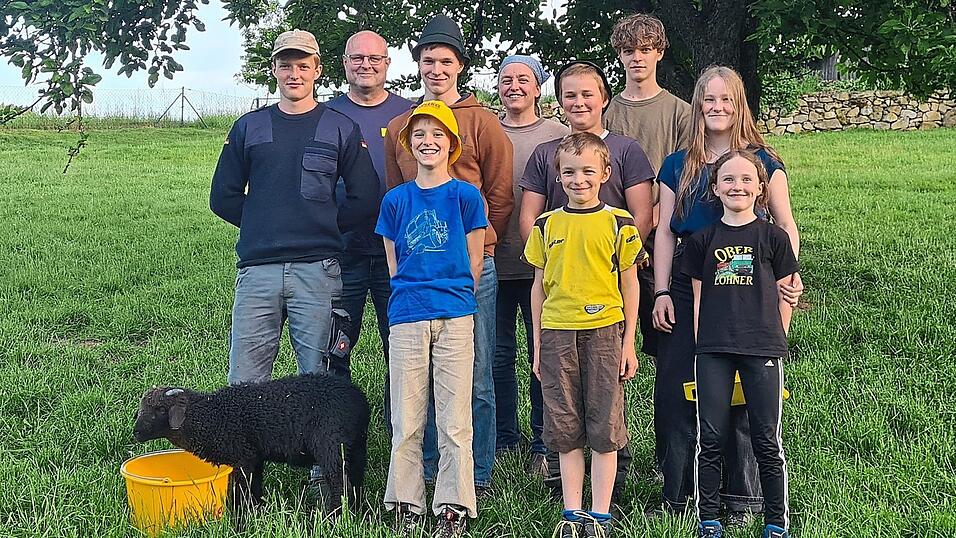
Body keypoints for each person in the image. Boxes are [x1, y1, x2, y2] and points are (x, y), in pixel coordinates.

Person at [209, 28, 379, 498]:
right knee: (244, 382)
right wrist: (264, 223)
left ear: (318, 70)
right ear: (273, 70)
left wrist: (319, 222)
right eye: (285, 64)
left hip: (317, 269)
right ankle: (243, 487)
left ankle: (326, 481)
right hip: (258, 272)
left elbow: (366, 198)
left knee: (320, 380)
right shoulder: (249, 126)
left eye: (303, 64)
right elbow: (222, 197)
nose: (294, 72)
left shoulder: (339, 127)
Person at [652, 65, 803, 516]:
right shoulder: (678, 165)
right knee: (679, 387)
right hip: (688, 280)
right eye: (708, 100)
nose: (717, 108)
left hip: (749, 283)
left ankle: (742, 496)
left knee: (742, 389)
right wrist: (661, 290)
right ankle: (679, 494)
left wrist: (785, 280)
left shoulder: (765, 162)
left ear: (740, 105)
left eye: (726, 100)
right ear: (697, 107)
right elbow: (663, 231)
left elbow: (784, 224)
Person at [384, 14, 514, 497]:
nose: (436, 69)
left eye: (445, 61)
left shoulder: (482, 122)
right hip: (417, 279)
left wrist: (474, 253)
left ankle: (474, 474)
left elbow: (500, 194)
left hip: (471, 271)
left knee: (475, 376)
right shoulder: (401, 125)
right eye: (427, 60)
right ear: (417, 65)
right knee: (419, 378)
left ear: (460, 66)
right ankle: (425, 471)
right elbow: (395, 203)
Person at [518, 60, 654, 500]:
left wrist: (611, 258)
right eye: (569, 95)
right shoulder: (548, 160)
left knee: (606, 407)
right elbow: (532, 233)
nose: (578, 102)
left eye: (587, 94)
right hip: (560, 307)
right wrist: (560, 259)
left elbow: (641, 219)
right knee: (564, 410)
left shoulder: (626, 153)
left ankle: (605, 499)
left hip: (607, 300)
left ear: (604, 99)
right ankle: (570, 502)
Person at [524, 132, 645, 537]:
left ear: (605, 174)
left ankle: (601, 515)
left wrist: (629, 342)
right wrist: (539, 346)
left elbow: (630, 283)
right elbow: (538, 285)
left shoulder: (619, 222)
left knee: (604, 424)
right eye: (569, 172)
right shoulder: (546, 224)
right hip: (557, 331)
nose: (579, 179)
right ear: (557, 177)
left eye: (588, 171)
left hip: (605, 332)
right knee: (564, 425)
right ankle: (572, 514)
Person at [378, 100, 486, 538]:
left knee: (455, 415)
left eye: (437, 134)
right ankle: (407, 500)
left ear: (451, 144)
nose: (428, 141)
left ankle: (453, 504)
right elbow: (393, 264)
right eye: (419, 134)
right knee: (406, 414)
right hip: (408, 314)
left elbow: (475, 259)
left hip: (455, 314)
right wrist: (414, 297)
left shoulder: (464, 196)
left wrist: (457, 295)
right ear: (408, 144)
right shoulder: (396, 200)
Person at [683, 150, 798, 538]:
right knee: (710, 437)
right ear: (715, 188)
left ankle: (776, 521)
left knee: (767, 439)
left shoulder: (773, 237)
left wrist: (777, 338)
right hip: (713, 349)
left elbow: (788, 293)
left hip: (762, 348)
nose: (738, 186)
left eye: (747, 179)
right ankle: (709, 519)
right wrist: (701, 347)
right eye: (729, 179)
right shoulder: (701, 241)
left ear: (761, 188)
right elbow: (698, 300)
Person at [326, 30, 413, 418]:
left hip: (400, 252)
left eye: (374, 59)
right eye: (357, 58)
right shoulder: (326, 115)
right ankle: (334, 434)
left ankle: (401, 433)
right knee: (335, 346)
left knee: (400, 345)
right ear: (344, 63)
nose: (366, 65)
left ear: (387, 64)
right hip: (341, 250)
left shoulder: (409, 115)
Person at [493, 54, 569, 475]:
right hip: (498, 262)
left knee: (544, 354)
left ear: (539, 88)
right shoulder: (486, 130)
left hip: (547, 269)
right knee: (499, 355)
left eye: (524, 79)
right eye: (506, 79)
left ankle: (544, 441)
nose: (515, 86)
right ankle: (506, 437)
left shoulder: (559, 135)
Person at [605, 13, 691, 360]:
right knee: (612, 337)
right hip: (612, 236)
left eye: (644, 49)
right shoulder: (607, 111)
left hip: (664, 236)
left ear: (659, 52)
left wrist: (654, 215)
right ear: (620, 56)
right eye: (628, 51)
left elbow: (690, 174)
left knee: (666, 338)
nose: (636, 57)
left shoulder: (681, 113)